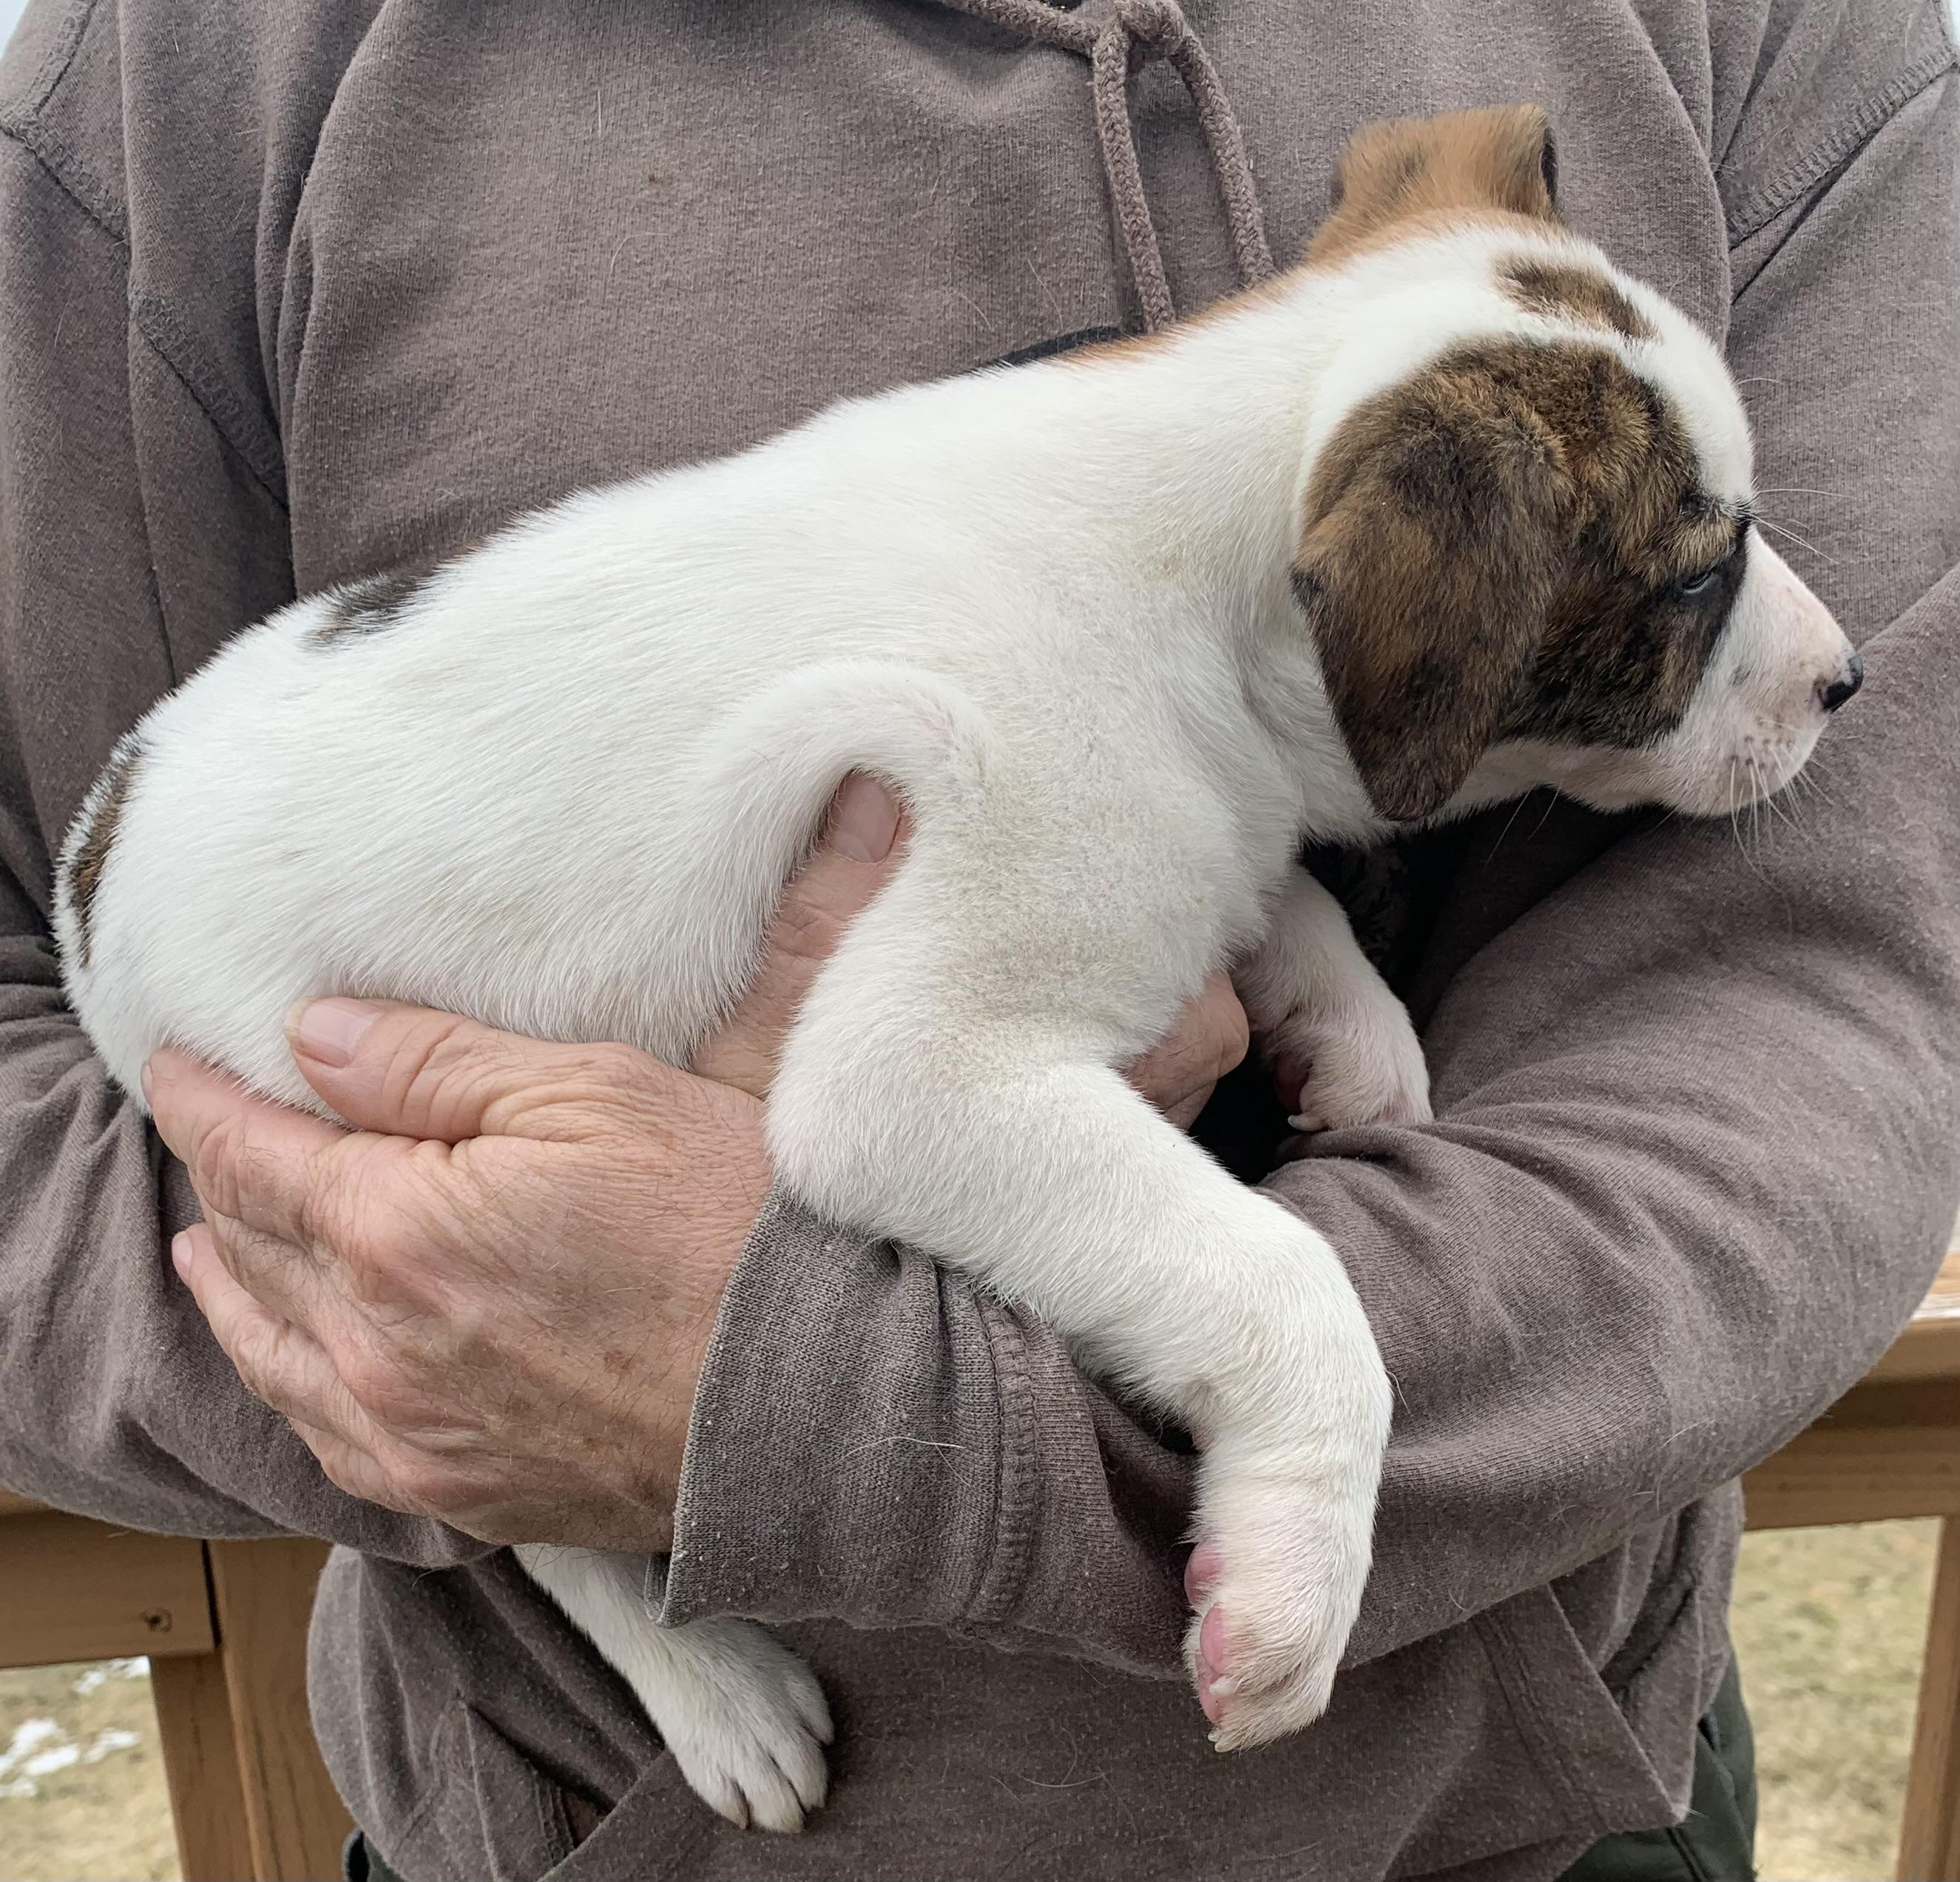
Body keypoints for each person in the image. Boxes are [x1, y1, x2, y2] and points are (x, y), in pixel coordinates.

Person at [1, 0, 1956, 1875]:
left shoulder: (1100, 538)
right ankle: (626, 1603)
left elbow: (1832, 992)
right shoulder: (203, 66)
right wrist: (1284, 1375)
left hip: (1538, 1803)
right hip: (275, 985)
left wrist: (1277, 939)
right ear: (1405, 649)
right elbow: (897, 1091)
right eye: (1688, 584)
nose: (1806, 644)